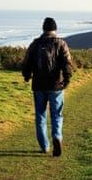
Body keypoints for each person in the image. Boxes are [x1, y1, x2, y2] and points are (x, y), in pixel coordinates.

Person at [21, 17, 72, 157]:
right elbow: (67, 63)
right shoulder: (61, 43)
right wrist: (67, 79)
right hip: (56, 85)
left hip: (38, 85)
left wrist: (26, 75)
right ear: (55, 29)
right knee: (57, 114)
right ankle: (57, 136)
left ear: (43, 29)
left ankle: (45, 146)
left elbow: (27, 62)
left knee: (40, 116)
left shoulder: (35, 43)